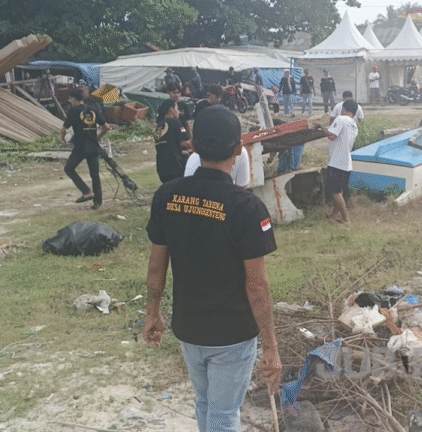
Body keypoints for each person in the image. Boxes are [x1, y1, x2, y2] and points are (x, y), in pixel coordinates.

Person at [144, 104, 281, 432]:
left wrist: (152, 313)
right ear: (238, 149)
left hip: (189, 328)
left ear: (191, 143)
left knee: (206, 403)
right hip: (232, 334)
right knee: (223, 414)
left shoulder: (167, 196)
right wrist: (271, 347)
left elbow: (156, 265)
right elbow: (257, 286)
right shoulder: (247, 207)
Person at [59, 89, 110, 210]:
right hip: (93, 146)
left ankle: (86, 191)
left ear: (74, 99)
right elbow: (106, 127)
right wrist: (97, 138)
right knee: (95, 175)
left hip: (81, 146)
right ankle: (98, 203)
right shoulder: (93, 109)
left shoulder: (73, 110)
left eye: (70, 99)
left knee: (69, 168)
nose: (70, 101)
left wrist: (62, 139)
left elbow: (64, 128)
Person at [325, 99, 359, 224]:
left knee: (335, 192)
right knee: (339, 191)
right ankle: (334, 215)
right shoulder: (354, 125)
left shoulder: (340, 119)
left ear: (343, 109)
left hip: (336, 161)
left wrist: (321, 129)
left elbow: (332, 135)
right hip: (346, 162)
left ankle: (346, 219)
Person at [154, 100, 189, 183]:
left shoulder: (159, 126)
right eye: (177, 108)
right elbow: (184, 143)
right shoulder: (176, 123)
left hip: (162, 169)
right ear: (171, 109)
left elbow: (167, 146)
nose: (178, 111)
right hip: (176, 167)